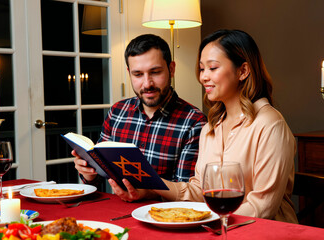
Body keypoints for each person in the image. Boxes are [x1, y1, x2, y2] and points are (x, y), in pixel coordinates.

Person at [108, 29, 298, 223]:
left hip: (266, 232)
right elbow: (199, 191)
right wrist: (149, 185)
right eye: (201, 69)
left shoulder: (270, 124)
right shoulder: (211, 127)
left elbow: (263, 207)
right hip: (220, 228)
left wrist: (205, 218)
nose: (203, 77)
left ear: (243, 71)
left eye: (212, 68)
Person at [73, 34, 207, 185]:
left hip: (163, 209)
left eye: (155, 72)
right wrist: (89, 173)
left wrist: (147, 192)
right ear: (129, 72)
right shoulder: (117, 112)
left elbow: (186, 191)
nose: (147, 84)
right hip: (117, 207)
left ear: (171, 69)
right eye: (137, 74)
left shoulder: (195, 122)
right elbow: (99, 174)